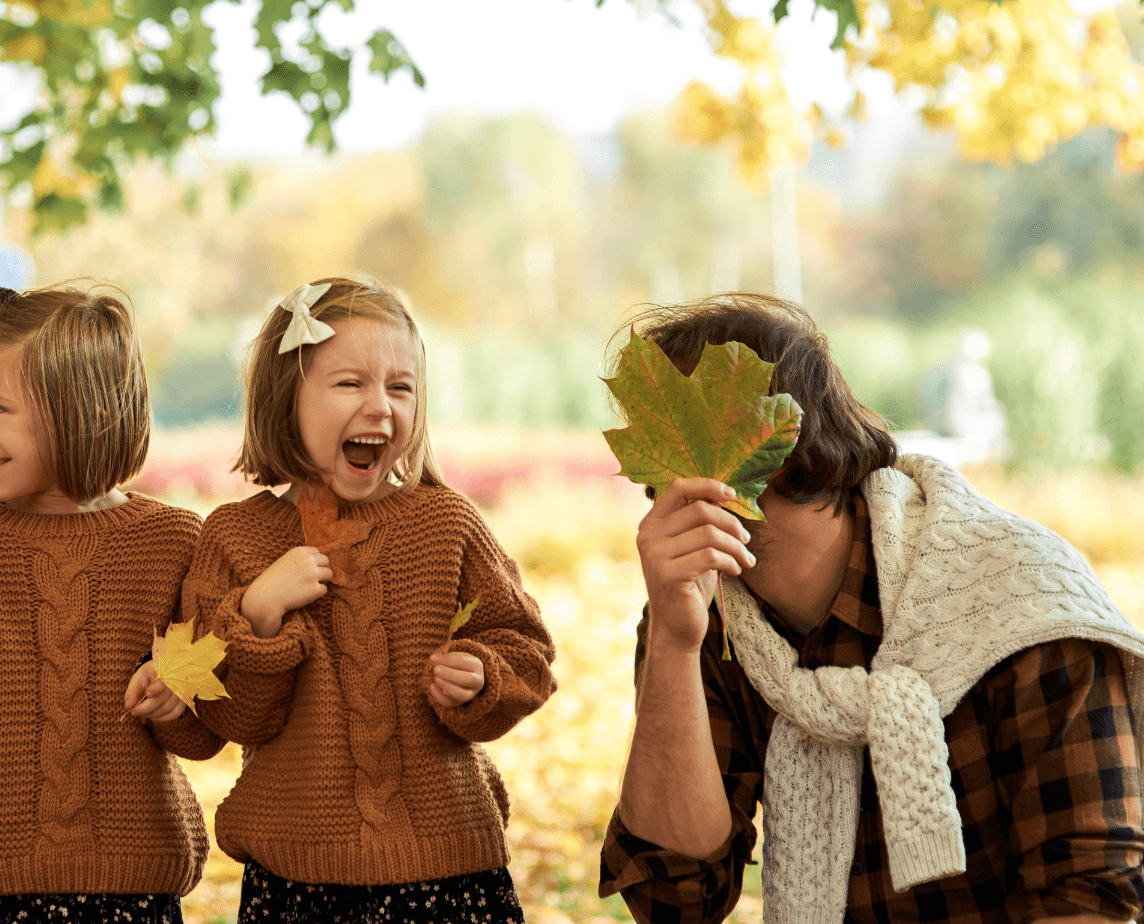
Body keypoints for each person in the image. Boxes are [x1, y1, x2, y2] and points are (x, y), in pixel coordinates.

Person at [597, 292, 1144, 923]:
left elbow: (1089, 898)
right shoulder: (703, 610)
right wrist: (672, 642)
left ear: (786, 441)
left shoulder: (1023, 601)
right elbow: (675, 899)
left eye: (690, 442)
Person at [180, 276, 556, 923]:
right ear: (286, 397)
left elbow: (526, 650)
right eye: (351, 383)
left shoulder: (447, 523)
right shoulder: (236, 538)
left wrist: (484, 677)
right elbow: (233, 720)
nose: (381, 406)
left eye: (401, 386)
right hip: (297, 878)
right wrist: (258, 614)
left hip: (449, 867)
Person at [0, 285, 219, 924]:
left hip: (133, 877)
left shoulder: (174, 543)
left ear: (82, 410)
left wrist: (175, 688)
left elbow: (199, 737)